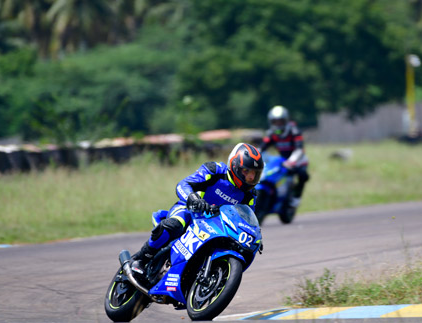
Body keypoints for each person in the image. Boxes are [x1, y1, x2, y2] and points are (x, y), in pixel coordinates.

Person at [129, 142, 264, 276]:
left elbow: (247, 217)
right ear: (235, 166)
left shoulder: (250, 195)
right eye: (247, 171)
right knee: (175, 224)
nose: (251, 177)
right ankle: (140, 259)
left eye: (255, 174)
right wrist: (193, 198)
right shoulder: (215, 171)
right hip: (190, 211)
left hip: (216, 226)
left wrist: (254, 236)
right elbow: (183, 184)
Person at [260, 105, 309, 207]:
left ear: (286, 120)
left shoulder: (294, 130)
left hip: (298, 158)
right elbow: (262, 147)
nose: (278, 124)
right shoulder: (271, 133)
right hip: (282, 159)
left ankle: (296, 197)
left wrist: (291, 161)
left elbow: (299, 149)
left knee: (303, 175)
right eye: (275, 121)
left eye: (280, 121)